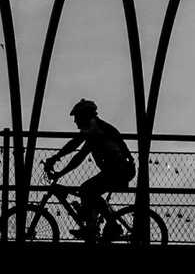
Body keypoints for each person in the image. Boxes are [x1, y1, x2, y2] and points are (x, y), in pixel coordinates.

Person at [44, 99, 135, 240]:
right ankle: (94, 225)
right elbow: (79, 157)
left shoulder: (93, 126)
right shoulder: (94, 134)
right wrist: (60, 173)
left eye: (76, 117)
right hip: (120, 168)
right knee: (90, 191)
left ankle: (108, 225)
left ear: (84, 115)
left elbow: (74, 143)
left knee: (87, 189)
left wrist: (55, 158)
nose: (75, 121)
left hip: (118, 168)